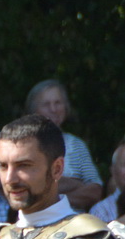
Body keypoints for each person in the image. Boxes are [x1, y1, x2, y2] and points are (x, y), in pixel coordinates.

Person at [23, 79, 101, 209]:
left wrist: (53, 200)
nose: (54, 109)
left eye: (58, 103)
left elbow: (96, 191)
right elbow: (30, 189)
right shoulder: (23, 146)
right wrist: (77, 185)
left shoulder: (76, 145)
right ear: (34, 110)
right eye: (46, 104)